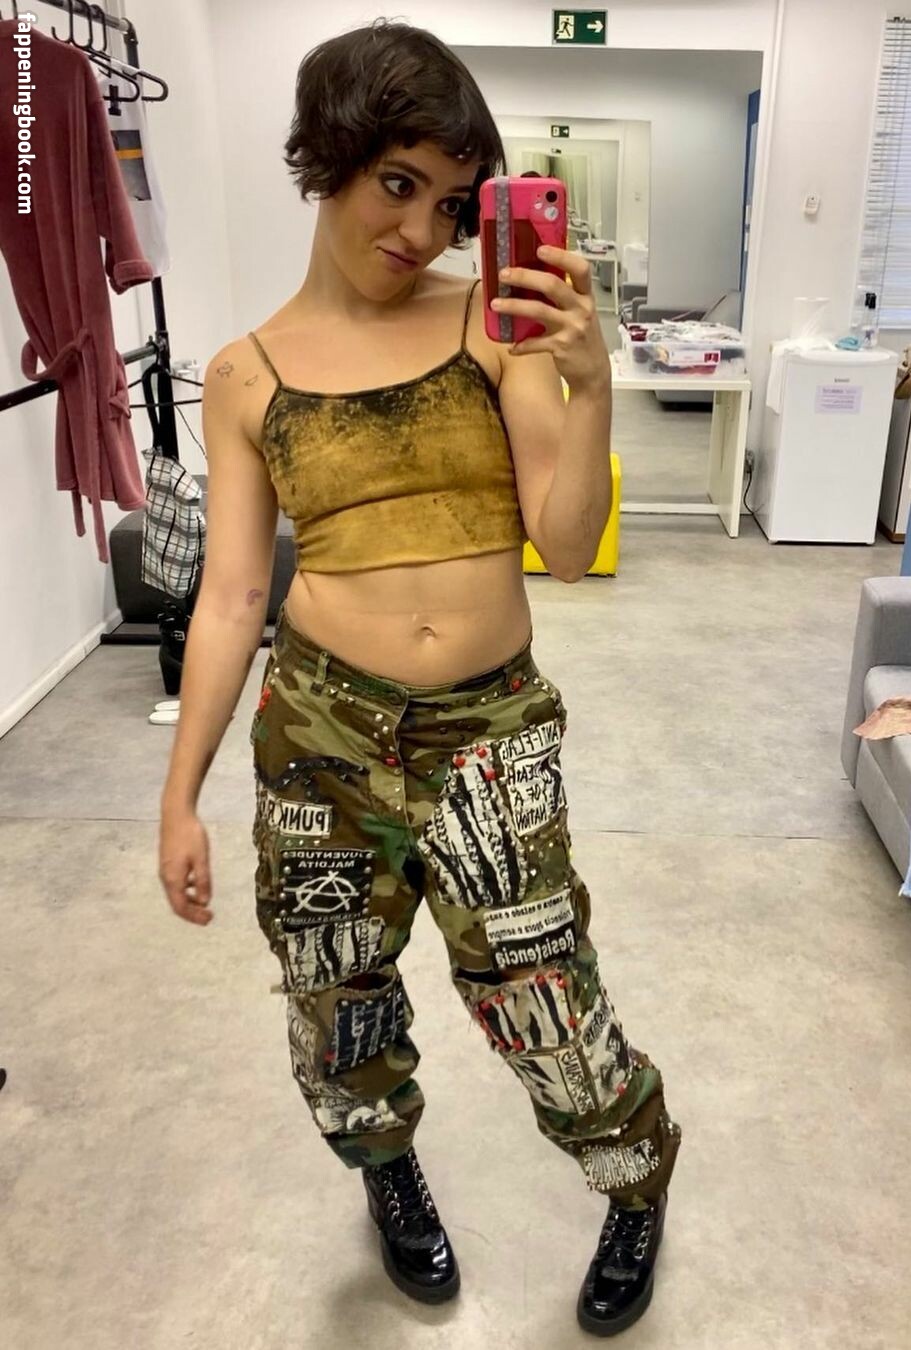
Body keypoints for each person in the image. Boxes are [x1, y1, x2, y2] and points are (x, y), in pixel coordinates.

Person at [157, 20, 679, 1337]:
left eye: (451, 203)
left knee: (543, 990)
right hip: (319, 732)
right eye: (397, 183)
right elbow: (231, 596)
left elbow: (568, 547)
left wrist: (592, 386)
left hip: (489, 733)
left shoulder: (490, 326)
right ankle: (386, 1170)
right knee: (334, 988)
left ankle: (634, 1178)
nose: (420, 229)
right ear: (325, 160)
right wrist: (179, 796)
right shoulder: (246, 374)